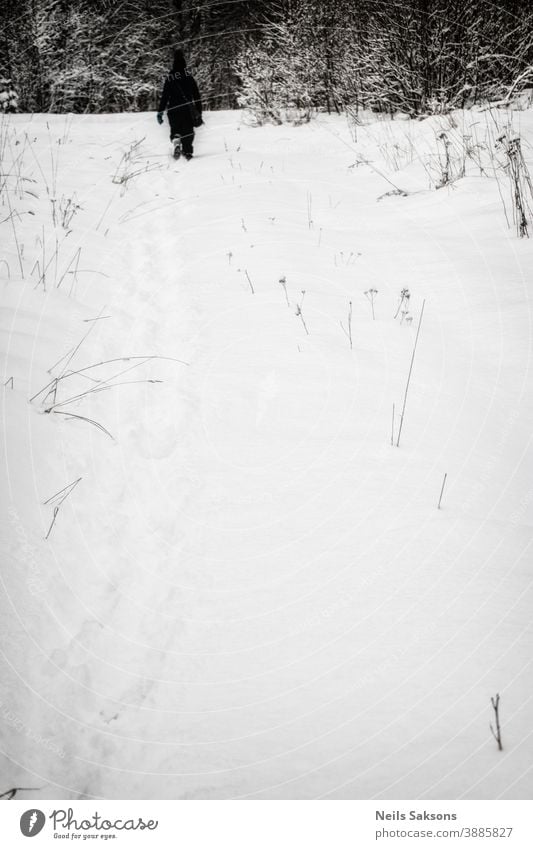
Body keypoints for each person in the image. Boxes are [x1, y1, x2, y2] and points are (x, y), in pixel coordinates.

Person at [157, 50, 203, 160]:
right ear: (184, 63)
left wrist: (160, 112)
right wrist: (198, 111)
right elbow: (196, 95)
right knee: (188, 132)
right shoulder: (189, 76)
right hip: (187, 110)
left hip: (173, 109)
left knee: (175, 129)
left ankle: (176, 141)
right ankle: (187, 151)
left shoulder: (170, 78)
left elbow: (165, 96)